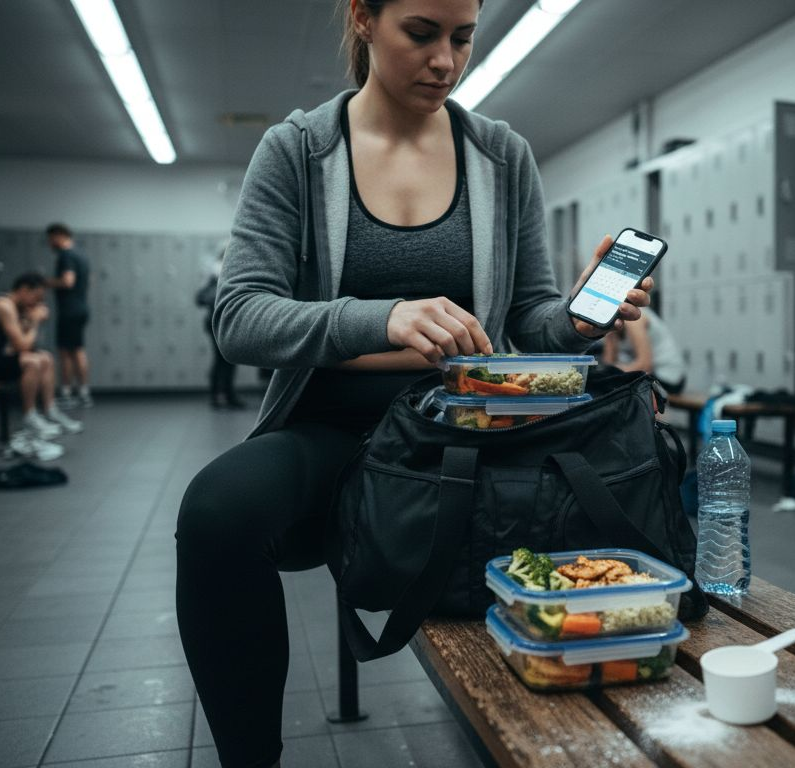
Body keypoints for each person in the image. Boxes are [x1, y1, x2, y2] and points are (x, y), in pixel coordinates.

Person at [173, 1, 653, 765]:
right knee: (214, 513)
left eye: (463, 37)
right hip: (331, 434)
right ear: (364, 18)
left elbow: (531, 319)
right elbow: (240, 318)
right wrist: (381, 318)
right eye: (422, 33)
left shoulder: (501, 154)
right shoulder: (297, 150)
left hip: (465, 437)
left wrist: (581, 316)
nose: (446, 61)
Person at [0, 272, 82, 460]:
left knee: (44, 357)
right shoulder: (4, 306)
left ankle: (49, 411)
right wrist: (35, 321)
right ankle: (29, 416)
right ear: (23, 290)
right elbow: (23, 346)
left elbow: (25, 346)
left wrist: (29, 320)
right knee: (32, 361)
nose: (36, 304)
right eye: (35, 298)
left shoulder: (14, 308)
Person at [43, 222, 92, 407]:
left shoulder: (67, 255)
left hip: (69, 309)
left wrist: (45, 283)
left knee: (66, 351)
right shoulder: (81, 254)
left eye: (50, 239)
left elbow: (67, 281)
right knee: (77, 349)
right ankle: (83, 392)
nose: (49, 243)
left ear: (59, 235)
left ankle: (66, 392)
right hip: (81, 307)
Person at [196, 247, 245, 409]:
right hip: (216, 323)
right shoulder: (216, 277)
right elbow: (200, 298)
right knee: (222, 360)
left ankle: (223, 395)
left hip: (227, 323)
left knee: (227, 360)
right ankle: (220, 396)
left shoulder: (225, 275)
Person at [600, 305, 687, 393]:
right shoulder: (612, 321)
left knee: (615, 387)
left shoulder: (634, 319)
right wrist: (610, 335)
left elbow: (645, 366)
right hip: (647, 374)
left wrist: (614, 371)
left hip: (668, 376)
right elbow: (608, 363)